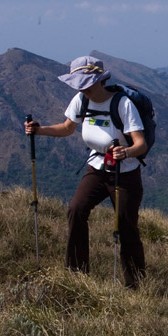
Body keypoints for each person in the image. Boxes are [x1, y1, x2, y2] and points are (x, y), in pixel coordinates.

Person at [25, 56, 147, 289]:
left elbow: (141, 144)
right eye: (80, 84)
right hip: (97, 167)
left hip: (126, 172)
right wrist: (38, 131)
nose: (84, 89)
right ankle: (76, 275)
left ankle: (135, 285)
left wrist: (127, 152)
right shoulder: (81, 100)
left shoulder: (122, 104)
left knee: (126, 225)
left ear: (100, 80)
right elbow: (67, 128)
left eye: (88, 84)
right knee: (76, 210)